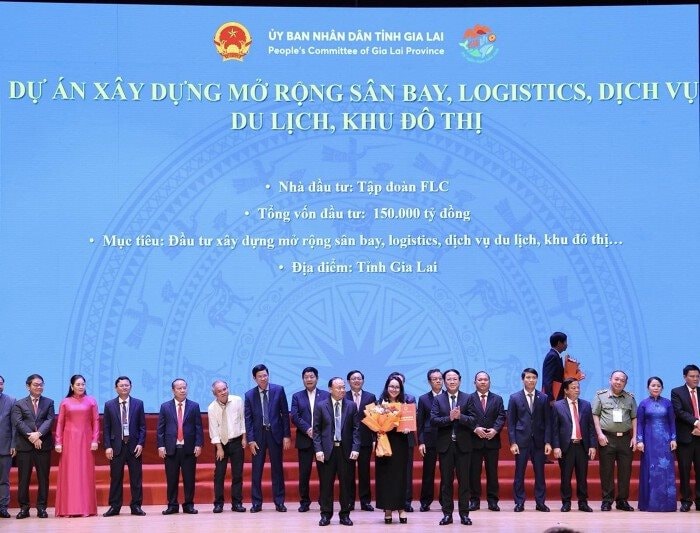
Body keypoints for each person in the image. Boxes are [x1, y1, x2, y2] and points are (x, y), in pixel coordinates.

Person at [430, 368, 475, 526]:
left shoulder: (468, 398)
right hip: (445, 447)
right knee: (446, 482)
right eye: (448, 379)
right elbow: (433, 420)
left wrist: (460, 417)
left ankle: (464, 514)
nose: (452, 381)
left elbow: (474, 420)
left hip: (463, 446)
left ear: (460, 381)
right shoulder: (438, 399)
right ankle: (447, 514)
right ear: (444, 381)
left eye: (455, 379)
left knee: (464, 482)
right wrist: (449, 418)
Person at [244, 363, 291, 512]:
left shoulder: (278, 390)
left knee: (277, 469)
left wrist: (286, 435)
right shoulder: (249, 395)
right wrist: (251, 439)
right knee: (256, 470)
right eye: (260, 376)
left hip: (275, 434)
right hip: (258, 437)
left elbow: (285, 414)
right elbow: (248, 419)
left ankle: (279, 502)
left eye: (265, 375)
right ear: (254, 378)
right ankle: (256, 503)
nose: (263, 378)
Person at [313, 377, 360, 526]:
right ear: (330, 389)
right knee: (326, 485)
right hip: (327, 451)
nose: (342, 390)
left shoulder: (351, 406)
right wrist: (318, 450)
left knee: (346, 485)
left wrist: (356, 448)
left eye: (343, 387)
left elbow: (356, 429)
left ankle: (345, 515)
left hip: (345, 451)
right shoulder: (321, 406)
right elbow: (316, 430)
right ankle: (325, 515)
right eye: (338, 388)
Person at [507, 367, 552, 512]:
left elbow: (548, 422)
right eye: (528, 377)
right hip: (521, 441)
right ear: (523, 380)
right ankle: (519, 502)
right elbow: (511, 422)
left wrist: (548, 442)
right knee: (519, 473)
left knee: (540, 473)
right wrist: (513, 442)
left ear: (537, 379)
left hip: (539, 441)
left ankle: (540, 502)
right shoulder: (514, 397)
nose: (531, 380)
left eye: (533, 377)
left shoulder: (543, 398)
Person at [54, 374, 100, 517]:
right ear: (72, 386)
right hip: (69, 440)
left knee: (85, 473)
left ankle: (86, 508)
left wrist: (95, 440)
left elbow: (96, 421)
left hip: (86, 440)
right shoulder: (65, 402)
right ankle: (68, 508)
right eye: (78, 384)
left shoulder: (91, 401)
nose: (81, 387)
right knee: (70, 473)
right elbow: (60, 422)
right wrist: (58, 442)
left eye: (83, 384)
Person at [592, 370, 637, 512]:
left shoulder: (630, 398)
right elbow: (595, 415)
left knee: (625, 471)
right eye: (616, 379)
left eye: (622, 380)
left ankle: (622, 500)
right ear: (610, 380)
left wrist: (635, 437)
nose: (619, 382)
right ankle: (607, 500)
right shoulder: (600, 396)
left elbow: (634, 417)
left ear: (625, 383)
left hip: (625, 438)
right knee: (606, 471)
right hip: (607, 438)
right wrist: (599, 434)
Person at [157, 378, 203, 515]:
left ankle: (188, 505)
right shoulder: (165, 407)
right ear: (173, 390)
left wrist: (198, 444)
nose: (183, 390)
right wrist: (161, 446)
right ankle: (172, 505)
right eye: (179, 388)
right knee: (172, 479)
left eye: (184, 388)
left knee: (189, 479)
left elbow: (198, 427)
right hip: (171, 448)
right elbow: (161, 428)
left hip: (189, 448)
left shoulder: (194, 406)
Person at [102, 375, 147, 517]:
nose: (124, 387)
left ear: (131, 387)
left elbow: (142, 427)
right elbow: (106, 428)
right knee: (116, 478)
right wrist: (108, 446)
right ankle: (115, 506)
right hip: (116, 446)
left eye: (127, 385)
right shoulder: (109, 405)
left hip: (134, 447)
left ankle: (136, 506)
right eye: (121, 385)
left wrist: (140, 443)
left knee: (136, 478)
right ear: (116, 388)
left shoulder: (138, 403)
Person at [11, 374, 54, 519]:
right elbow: (18, 422)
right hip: (25, 446)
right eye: (36, 384)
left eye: (41, 384)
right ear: (28, 386)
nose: (39, 387)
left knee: (43, 478)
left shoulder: (49, 402)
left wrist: (39, 434)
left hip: (43, 444)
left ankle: (41, 507)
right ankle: (24, 508)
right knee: (24, 478)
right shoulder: (19, 404)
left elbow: (49, 420)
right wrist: (32, 437)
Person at [551, 378, 596, 513]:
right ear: (566, 390)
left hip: (582, 446)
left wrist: (592, 445)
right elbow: (554, 428)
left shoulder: (586, 405)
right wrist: (556, 446)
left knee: (582, 476)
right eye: (573, 388)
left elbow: (591, 427)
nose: (577, 390)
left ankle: (583, 502)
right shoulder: (558, 406)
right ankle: (566, 502)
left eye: (578, 387)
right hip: (567, 446)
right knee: (566, 477)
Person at [375, 375, 412, 524]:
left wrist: (407, 428)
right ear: (387, 387)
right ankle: (388, 509)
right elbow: (374, 424)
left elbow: (410, 423)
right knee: (385, 477)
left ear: (401, 389)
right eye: (391, 386)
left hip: (400, 444)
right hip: (384, 442)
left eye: (397, 387)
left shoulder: (406, 404)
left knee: (400, 477)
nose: (394, 389)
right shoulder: (379, 404)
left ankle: (401, 508)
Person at [291, 366, 329, 512]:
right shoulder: (297, 396)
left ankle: (323, 501)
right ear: (303, 379)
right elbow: (295, 416)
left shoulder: (326, 395)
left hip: (322, 440)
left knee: (324, 473)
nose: (309, 379)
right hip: (304, 439)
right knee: (304, 473)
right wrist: (308, 429)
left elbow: (329, 415)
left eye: (311, 377)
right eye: (306, 377)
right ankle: (304, 502)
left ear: (317, 378)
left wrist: (317, 430)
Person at [636, 376, 676, 511]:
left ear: (662, 388)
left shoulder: (668, 403)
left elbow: (672, 422)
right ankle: (649, 503)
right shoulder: (643, 404)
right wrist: (639, 440)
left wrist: (673, 438)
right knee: (650, 469)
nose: (656, 388)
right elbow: (640, 423)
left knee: (665, 470)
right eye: (653, 385)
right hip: (649, 441)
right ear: (648, 388)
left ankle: (667, 504)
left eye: (658, 386)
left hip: (665, 441)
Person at [469, 370, 505, 512]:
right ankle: (474, 500)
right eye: (480, 380)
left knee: (492, 473)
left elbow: (501, 416)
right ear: (475, 382)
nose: (483, 382)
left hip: (492, 440)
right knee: (474, 473)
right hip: (474, 441)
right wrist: (475, 428)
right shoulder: (468, 398)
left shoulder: (498, 399)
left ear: (490, 382)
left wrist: (495, 430)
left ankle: (493, 501)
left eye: (485, 379)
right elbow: (466, 417)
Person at [208, 379, 247, 513]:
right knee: (219, 474)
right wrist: (219, 448)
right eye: (219, 391)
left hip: (236, 442)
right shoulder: (212, 408)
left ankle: (237, 503)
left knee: (237, 474)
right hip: (221, 444)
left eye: (224, 389)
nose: (223, 392)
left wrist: (244, 438)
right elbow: (213, 430)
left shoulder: (237, 400)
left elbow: (242, 420)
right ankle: (218, 504)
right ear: (215, 394)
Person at [346, 369, 377, 511]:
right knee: (349, 472)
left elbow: (374, 418)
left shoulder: (370, 397)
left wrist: (374, 437)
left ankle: (365, 501)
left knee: (364, 472)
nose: (356, 381)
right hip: (348, 440)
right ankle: (349, 501)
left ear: (363, 381)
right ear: (348, 382)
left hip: (365, 440)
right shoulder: (344, 396)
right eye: (353, 379)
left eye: (359, 378)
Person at [671, 364, 700, 512]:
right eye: (692, 376)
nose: (695, 379)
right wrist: (696, 423)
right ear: (685, 377)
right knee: (684, 470)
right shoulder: (677, 392)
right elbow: (679, 411)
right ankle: (686, 500)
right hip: (685, 438)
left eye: (697, 376)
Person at [388, 371, 416, 513]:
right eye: (392, 384)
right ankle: (390, 503)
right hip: (388, 440)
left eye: (398, 383)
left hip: (406, 439)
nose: (395, 387)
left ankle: (406, 502)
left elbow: (413, 417)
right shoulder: (383, 401)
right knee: (390, 473)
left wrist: (407, 425)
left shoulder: (409, 399)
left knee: (406, 473)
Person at [417, 368, 443, 512]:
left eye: (440, 378)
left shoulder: (449, 396)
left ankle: (445, 501)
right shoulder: (423, 399)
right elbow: (420, 423)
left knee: (446, 472)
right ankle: (425, 501)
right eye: (435, 379)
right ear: (429, 382)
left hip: (446, 439)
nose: (438, 381)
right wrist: (421, 442)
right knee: (428, 472)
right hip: (429, 440)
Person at [0, 375, 15, 519]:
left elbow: (14, 426)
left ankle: (3, 507)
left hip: (5, 447)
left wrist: (13, 444)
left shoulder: (11, 400)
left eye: (1, 383)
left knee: (4, 480)